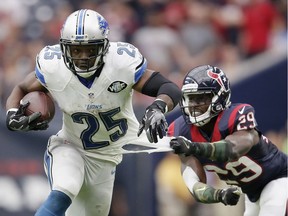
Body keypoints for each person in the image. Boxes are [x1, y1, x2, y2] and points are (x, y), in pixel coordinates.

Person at [5, 9, 181, 216]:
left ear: (104, 46)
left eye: (90, 49)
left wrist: (158, 107)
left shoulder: (121, 64)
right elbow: (22, 88)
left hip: (106, 157)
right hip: (70, 146)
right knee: (64, 190)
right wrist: (12, 112)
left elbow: (169, 88)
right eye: (75, 50)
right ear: (64, 48)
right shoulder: (54, 67)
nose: (82, 57)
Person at [168, 65, 287, 216]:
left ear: (220, 97)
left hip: (279, 178)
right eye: (190, 99)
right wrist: (220, 195)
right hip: (252, 194)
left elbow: (233, 148)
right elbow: (195, 187)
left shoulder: (236, 115)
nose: (193, 105)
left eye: (201, 98)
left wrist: (195, 147)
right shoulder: (182, 130)